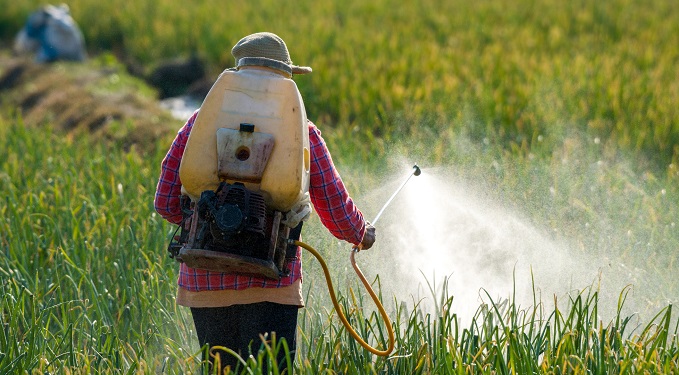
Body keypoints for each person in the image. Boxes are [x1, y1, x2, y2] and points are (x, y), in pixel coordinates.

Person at [154, 32, 375, 373]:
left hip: (204, 282)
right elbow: (334, 205)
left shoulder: (199, 125)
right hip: (271, 283)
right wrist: (361, 234)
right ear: (285, 78)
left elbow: (166, 202)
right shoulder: (303, 132)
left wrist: (212, 215)